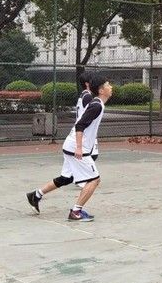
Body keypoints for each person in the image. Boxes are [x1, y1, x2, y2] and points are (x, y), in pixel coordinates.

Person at [26, 74, 113, 221]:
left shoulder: (97, 103)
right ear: (101, 90)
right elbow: (80, 125)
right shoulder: (96, 105)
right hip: (76, 147)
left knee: (66, 178)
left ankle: (36, 195)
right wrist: (79, 147)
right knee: (94, 180)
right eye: (107, 85)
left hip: (71, 145)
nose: (110, 87)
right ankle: (76, 212)